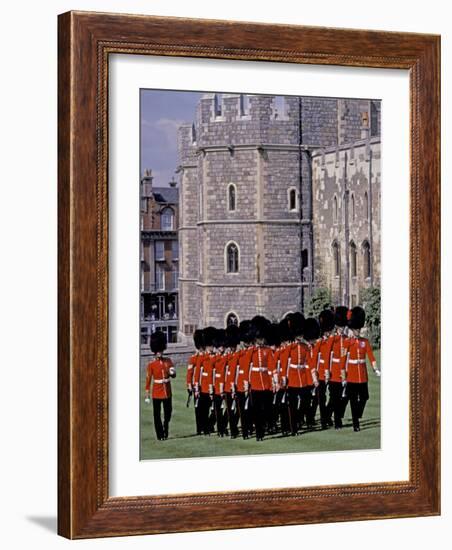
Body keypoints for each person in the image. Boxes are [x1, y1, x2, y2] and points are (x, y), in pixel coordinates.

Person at [344, 306, 380, 432]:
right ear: (352, 329)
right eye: (355, 329)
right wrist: (344, 377)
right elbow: (344, 359)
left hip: (363, 374)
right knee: (353, 400)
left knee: (365, 397)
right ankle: (356, 424)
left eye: (358, 329)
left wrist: (375, 368)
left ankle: (358, 414)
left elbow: (370, 356)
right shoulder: (348, 342)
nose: (358, 331)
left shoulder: (365, 341)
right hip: (352, 375)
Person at [144, 330, 176, 441]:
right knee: (156, 415)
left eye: (161, 350)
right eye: (158, 351)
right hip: (156, 392)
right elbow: (148, 379)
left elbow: (173, 374)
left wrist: (172, 373)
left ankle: (166, 425)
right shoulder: (151, 364)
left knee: (168, 412)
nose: (160, 352)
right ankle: (160, 435)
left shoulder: (168, 361)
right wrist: (147, 394)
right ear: (155, 351)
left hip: (167, 391)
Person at [248, 316, 272, 441]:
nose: (261, 340)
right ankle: (259, 433)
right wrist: (247, 382)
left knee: (266, 409)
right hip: (255, 383)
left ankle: (263, 428)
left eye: (262, 338)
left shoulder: (267, 351)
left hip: (266, 383)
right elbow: (246, 367)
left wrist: (274, 381)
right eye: (259, 338)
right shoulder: (250, 351)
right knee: (257, 410)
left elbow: (272, 367)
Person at [283, 312, 307, 435]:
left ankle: (298, 420)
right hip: (292, 377)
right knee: (292, 405)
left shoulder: (305, 346)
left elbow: (309, 363)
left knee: (304, 401)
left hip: (302, 377)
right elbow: (285, 363)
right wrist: (284, 377)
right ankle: (293, 429)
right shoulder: (290, 347)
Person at [327, 306, 350, 429]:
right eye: (340, 327)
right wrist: (327, 372)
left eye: (343, 327)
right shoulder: (332, 339)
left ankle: (332, 415)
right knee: (335, 398)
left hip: (344, 373)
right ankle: (337, 421)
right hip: (334, 372)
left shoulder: (346, 339)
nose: (342, 329)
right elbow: (327, 356)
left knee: (345, 397)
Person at [316, 309, 335, 429]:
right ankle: (324, 419)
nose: (329, 332)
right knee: (321, 398)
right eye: (327, 330)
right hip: (321, 372)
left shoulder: (333, 341)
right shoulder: (320, 342)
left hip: (333, 371)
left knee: (335, 396)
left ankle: (328, 415)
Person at [197, 326, 217, 435]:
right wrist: (197, 386)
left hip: (215, 385)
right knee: (204, 409)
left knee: (215, 409)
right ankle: (205, 427)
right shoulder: (202, 358)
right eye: (209, 345)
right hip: (204, 386)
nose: (211, 347)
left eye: (212, 345)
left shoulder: (216, 357)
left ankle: (210, 424)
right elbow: (198, 374)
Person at [187, 329, 205, 435]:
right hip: (197, 386)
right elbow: (190, 373)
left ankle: (206, 426)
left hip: (206, 385)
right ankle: (199, 428)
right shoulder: (193, 358)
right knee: (198, 408)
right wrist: (189, 385)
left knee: (206, 407)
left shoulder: (205, 357)